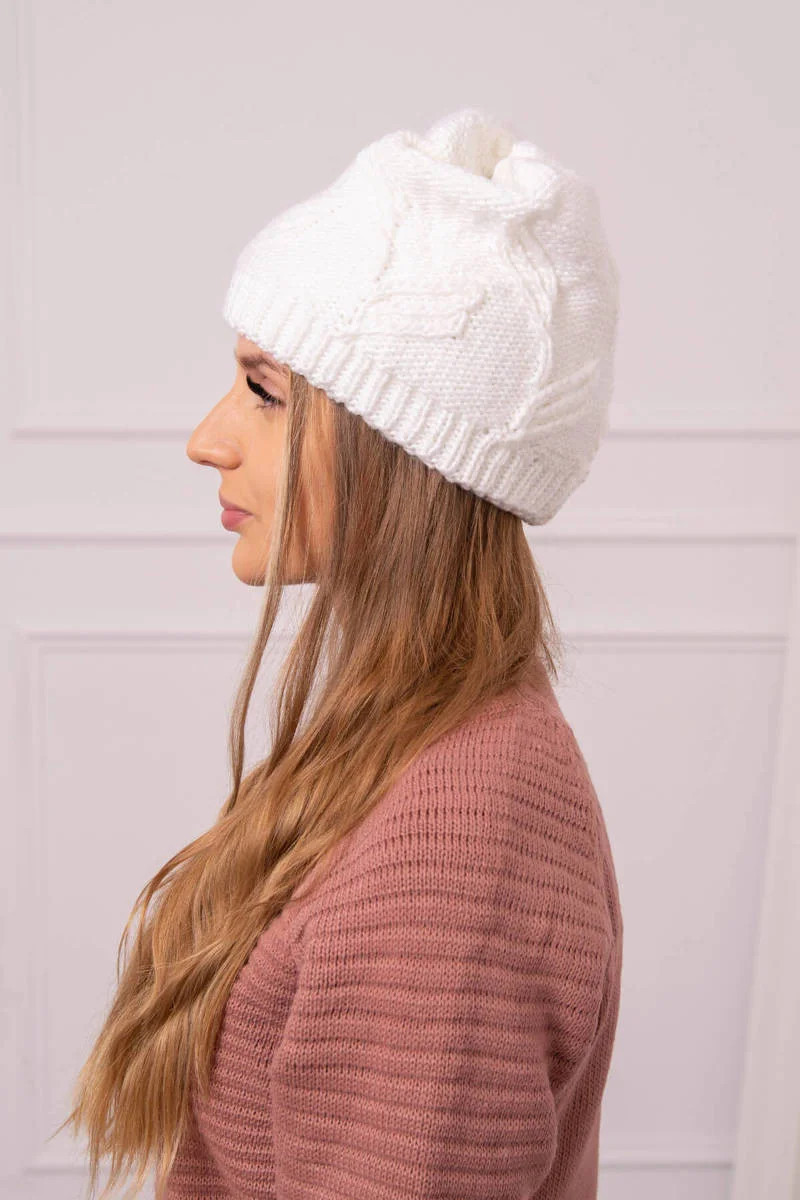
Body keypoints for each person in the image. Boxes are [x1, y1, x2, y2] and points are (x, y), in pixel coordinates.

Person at [56, 106, 624, 1200]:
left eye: (265, 393)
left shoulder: (462, 832)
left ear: (399, 446)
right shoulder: (411, 743)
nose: (207, 439)